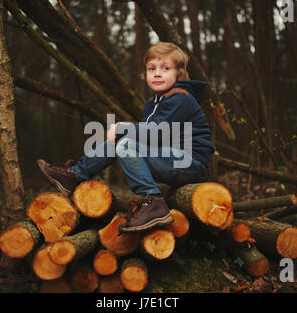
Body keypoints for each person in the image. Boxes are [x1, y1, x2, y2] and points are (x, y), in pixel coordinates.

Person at [37, 42, 215, 233]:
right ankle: (75, 174)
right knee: (120, 142)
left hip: (189, 162)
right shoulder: (154, 103)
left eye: (165, 68)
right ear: (145, 73)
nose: (157, 73)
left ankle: (152, 201)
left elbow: (157, 132)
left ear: (178, 74)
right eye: (151, 68)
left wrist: (124, 127)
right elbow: (150, 139)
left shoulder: (181, 98)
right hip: (171, 159)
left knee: (125, 142)